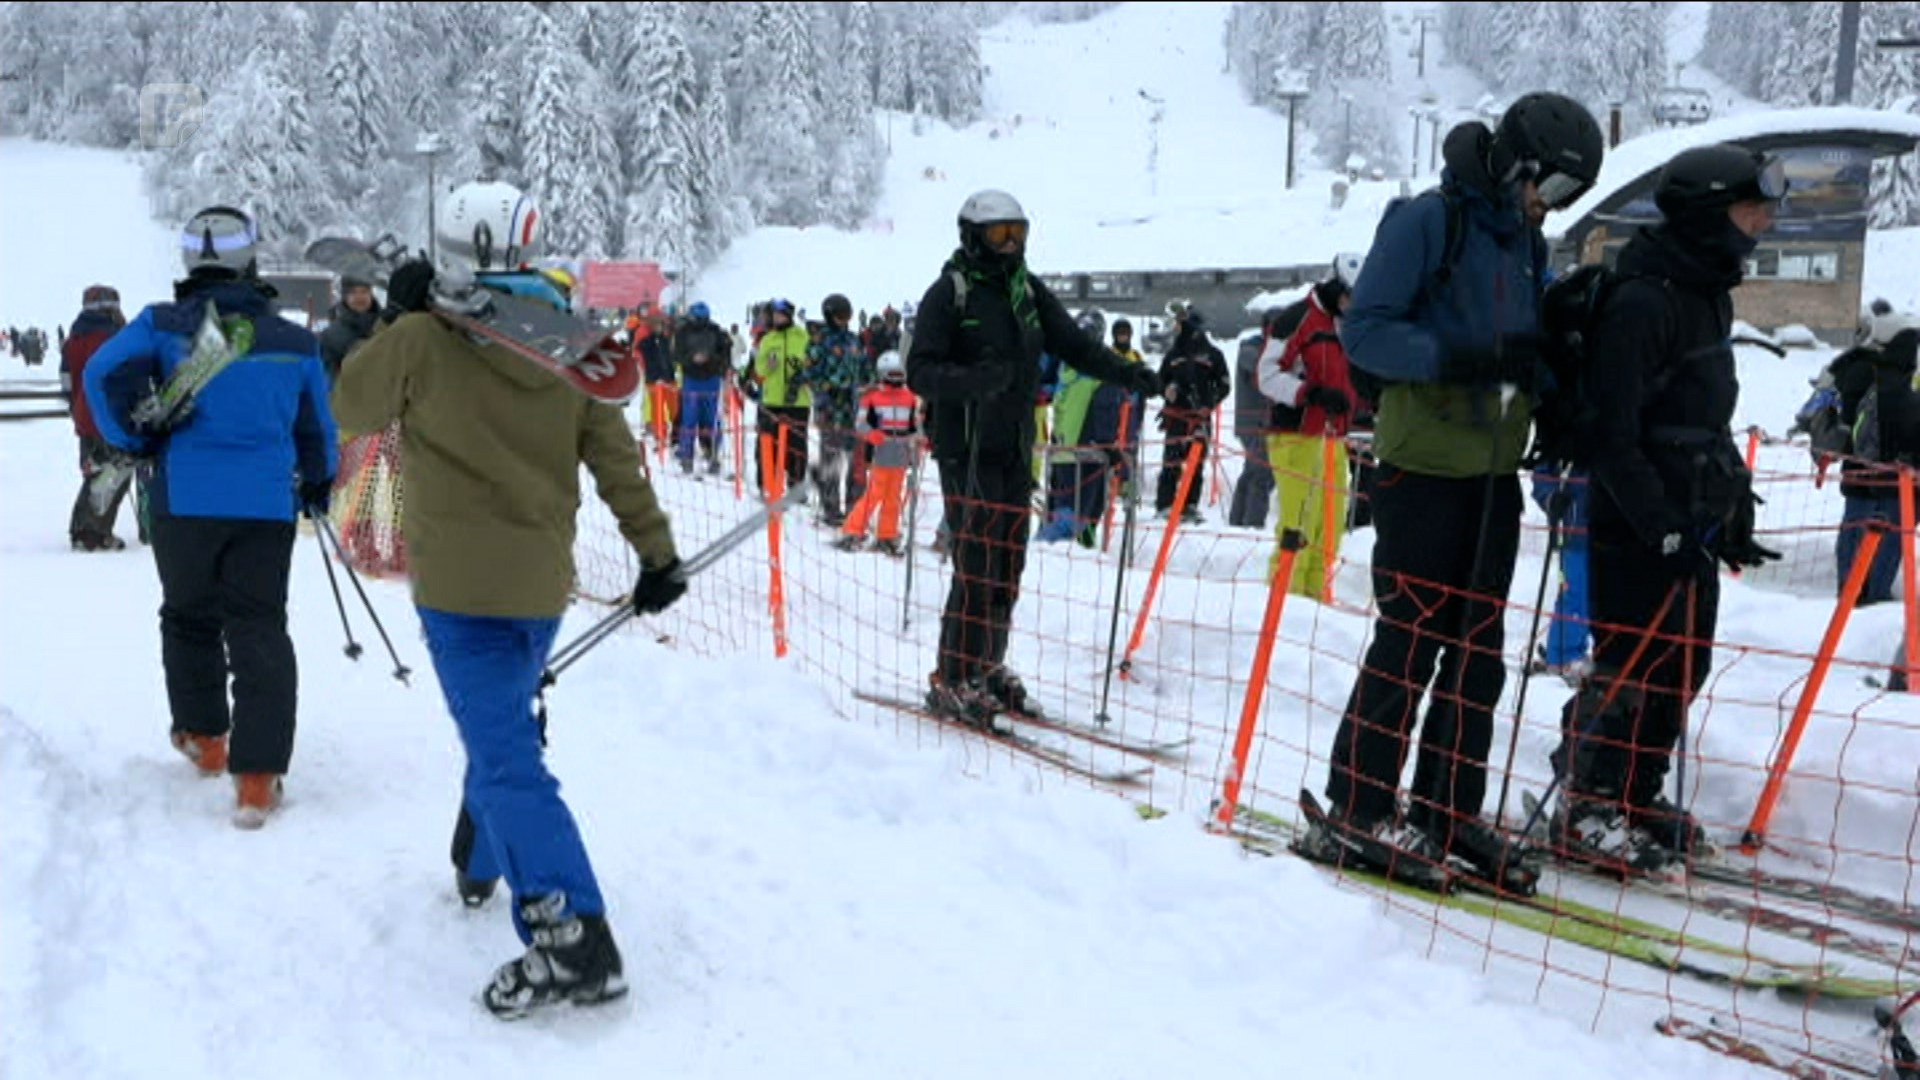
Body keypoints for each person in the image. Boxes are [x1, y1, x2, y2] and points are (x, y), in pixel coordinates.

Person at [330, 180, 684, 1019]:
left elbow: (349, 404)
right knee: (501, 730)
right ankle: (481, 852)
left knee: (506, 755)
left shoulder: (418, 337)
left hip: (456, 588)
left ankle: (574, 939)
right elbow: (614, 459)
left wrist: (394, 319)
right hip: (536, 586)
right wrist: (656, 554)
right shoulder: (572, 347)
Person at [1303, 93, 1604, 890]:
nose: (1553, 206)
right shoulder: (1428, 222)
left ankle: (1445, 809)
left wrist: (1554, 385)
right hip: (1421, 471)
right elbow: (1364, 330)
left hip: (1492, 474)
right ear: (1516, 164)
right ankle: (1360, 806)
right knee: (1411, 643)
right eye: (1554, 187)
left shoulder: (1526, 245)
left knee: (1480, 656)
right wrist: (1458, 355)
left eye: (1568, 198)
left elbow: (1520, 349)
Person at [1547, 144, 1790, 873]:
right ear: (1708, 215)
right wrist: (1661, 528)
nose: (1764, 223)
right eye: (1753, 209)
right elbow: (1612, 436)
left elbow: (1699, 417)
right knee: (1632, 659)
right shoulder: (1644, 299)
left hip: (1689, 514)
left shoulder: (1705, 291)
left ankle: (1636, 795)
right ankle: (1587, 806)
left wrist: (1729, 501)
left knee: (1684, 662)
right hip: (1635, 517)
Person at [83, 206, 338, 828]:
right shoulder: (293, 341)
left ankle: (204, 736)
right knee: (260, 626)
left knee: (189, 616)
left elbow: (97, 372)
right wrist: (318, 482)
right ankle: (256, 778)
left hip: (184, 499)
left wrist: (134, 437)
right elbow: (318, 429)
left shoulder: (159, 323)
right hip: (264, 504)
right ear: (250, 260)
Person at [906, 189, 1162, 722]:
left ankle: (988, 666)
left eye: (1018, 233)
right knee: (974, 565)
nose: (1010, 245)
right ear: (973, 236)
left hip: (1014, 447)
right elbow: (920, 370)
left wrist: (1129, 373)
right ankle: (954, 675)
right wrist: (974, 381)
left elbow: (1074, 344)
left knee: (1008, 564)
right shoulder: (948, 293)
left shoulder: (1026, 291)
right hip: (967, 449)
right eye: (999, 235)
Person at [1257, 256, 1363, 600]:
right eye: (1347, 295)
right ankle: (1284, 602)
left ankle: (1317, 602)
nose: (1351, 304)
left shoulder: (1343, 324)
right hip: (1296, 435)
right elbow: (1267, 374)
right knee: (1298, 524)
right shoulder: (1297, 318)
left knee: (1329, 525)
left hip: (1333, 436)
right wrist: (1309, 393)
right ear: (1333, 287)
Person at [1827, 310, 1920, 606]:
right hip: (1895, 484)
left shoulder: (1858, 370)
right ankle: (1873, 602)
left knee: (1854, 533)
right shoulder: (1902, 384)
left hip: (1857, 475)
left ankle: (1848, 593)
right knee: (1887, 543)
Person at [1039, 311, 1144, 548]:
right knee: (1082, 510)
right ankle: (1049, 548)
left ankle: (1075, 549)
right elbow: (1104, 409)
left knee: (1059, 504)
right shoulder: (1100, 372)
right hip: (1089, 451)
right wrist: (1107, 446)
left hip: (1062, 447)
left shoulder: (1066, 366)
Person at [62, 284, 132, 551]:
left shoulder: (73, 340)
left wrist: (75, 406)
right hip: (108, 416)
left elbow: (66, 381)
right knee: (114, 473)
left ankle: (85, 529)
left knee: (96, 471)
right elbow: (122, 377)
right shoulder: (114, 339)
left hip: (83, 416)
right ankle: (91, 533)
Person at [834, 350, 919, 555]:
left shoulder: (910, 398)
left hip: (901, 452)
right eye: (893, 375)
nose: (896, 379)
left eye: (899, 375)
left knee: (894, 497)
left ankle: (887, 534)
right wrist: (874, 435)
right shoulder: (873, 397)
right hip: (882, 450)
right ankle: (852, 530)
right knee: (875, 493)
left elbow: (914, 424)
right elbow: (861, 424)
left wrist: (917, 442)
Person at [802, 292, 873, 524]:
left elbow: (863, 366)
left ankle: (854, 508)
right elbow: (809, 374)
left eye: (848, 316)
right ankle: (831, 509)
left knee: (855, 459)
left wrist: (872, 378)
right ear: (830, 316)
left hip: (852, 409)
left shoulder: (853, 340)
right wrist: (826, 388)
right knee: (831, 458)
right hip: (830, 408)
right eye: (841, 316)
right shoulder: (819, 341)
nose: (845, 320)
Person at [1154, 310, 1230, 523]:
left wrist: (1209, 404)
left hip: (1201, 417)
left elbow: (1224, 385)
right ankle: (1165, 505)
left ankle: (1189, 505)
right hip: (1176, 416)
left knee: (1196, 463)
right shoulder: (1173, 355)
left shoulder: (1213, 355)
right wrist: (1166, 390)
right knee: (1171, 461)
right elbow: (1160, 381)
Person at [1528, 464, 1593, 686]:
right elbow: (1543, 470)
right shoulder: (1571, 435)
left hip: (1621, 534)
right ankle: (1564, 656)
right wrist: (1550, 498)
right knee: (1575, 594)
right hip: (1577, 535)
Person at [748, 298, 813, 499]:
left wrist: (804, 374)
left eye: (781, 314)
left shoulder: (803, 337)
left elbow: (813, 363)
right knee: (767, 444)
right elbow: (758, 371)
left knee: (796, 446)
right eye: (774, 315)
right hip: (771, 402)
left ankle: (796, 486)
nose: (777, 318)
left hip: (797, 402)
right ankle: (767, 484)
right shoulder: (768, 339)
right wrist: (768, 365)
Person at [1228, 308, 1284, 529]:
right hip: (1254, 421)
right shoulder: (1251, 349)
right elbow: (1263, 371)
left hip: (1261, 421)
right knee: (1262, 474)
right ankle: (1252, 523)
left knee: (1252, 471)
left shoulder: (1264, 348)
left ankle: (1238, 520)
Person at [673, 300, 733, 476]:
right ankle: (686, 455)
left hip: (711, 379)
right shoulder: (683, 332)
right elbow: (677, 355)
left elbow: (725, 355)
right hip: (691, 379)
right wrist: (692, 358)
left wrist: (711, 359)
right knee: (689, 420)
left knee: (712, 420)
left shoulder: (716, 331)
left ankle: (713, 454)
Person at [318, 274, 379, 385]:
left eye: (364, 291)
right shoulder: (331, 336)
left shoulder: (386, 327)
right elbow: (328, 377)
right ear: (345, 296)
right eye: (353, 292)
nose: (359, 297)